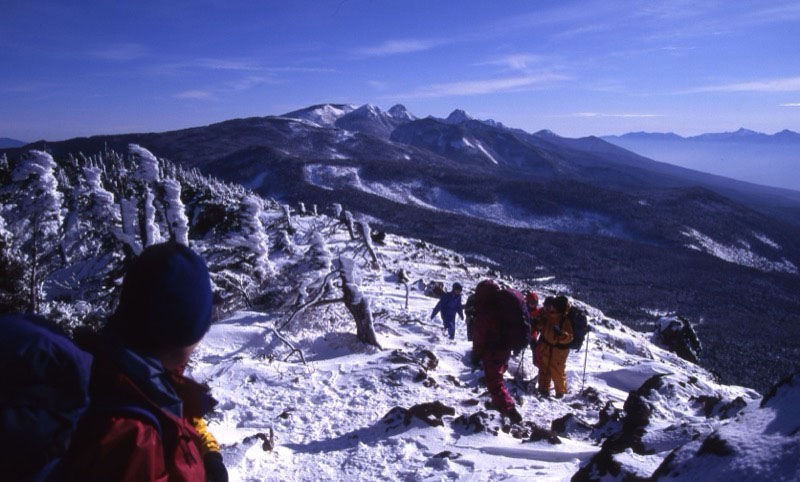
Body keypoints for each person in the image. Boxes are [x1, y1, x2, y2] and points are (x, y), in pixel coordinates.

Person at [65, 242, 228, 482]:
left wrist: (209, 452)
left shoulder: (127, 371)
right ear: (186, 333)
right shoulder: (133, 436)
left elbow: (181, 417)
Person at [471, 280, 523, 423]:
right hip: (504, 350)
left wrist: (476, 354)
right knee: (497, 380)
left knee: (494, 383)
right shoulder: (502, 308)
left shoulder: (486, 312)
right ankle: (500, 404)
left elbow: (479, 336)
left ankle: (509, 410)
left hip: (492, 352)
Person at [536, 295, 574, 399]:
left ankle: (560, 393)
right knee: (544, 369)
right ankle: (543, 389)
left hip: (558, 351)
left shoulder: (564, 320)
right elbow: (544, 328)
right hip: (547, 347)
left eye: (553, 306)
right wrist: (538, 324)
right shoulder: (549, 315)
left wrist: (561, 334)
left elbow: (570, 337)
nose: (551, 307)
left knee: (557, 372)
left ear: (558, 307)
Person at [525, 291, 542, 368]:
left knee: (535, 348)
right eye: (531, 303)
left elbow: (540, 324)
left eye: (535, 303)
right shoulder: (524, 310)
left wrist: (537, 325)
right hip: (524, 332)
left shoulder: (538, 312)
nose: (533, 305)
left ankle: (536, 363)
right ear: (528, 302)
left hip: (533, 333)